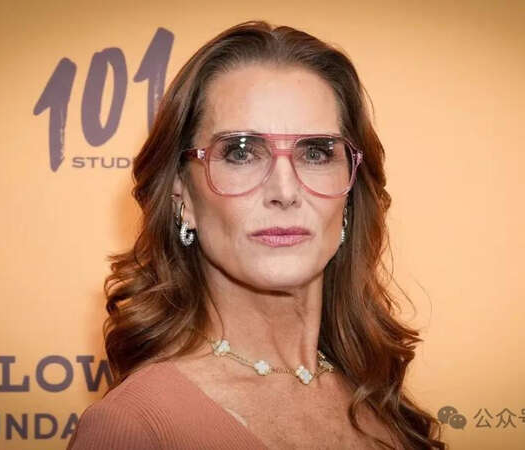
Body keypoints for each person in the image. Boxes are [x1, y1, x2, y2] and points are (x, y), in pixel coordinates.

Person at [67, 20, 446, 450]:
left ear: (350, 189)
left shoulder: (378, 398)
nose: (285, 191)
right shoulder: (135, 427)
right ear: (181, 194)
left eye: (316, 152)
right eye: (242, 152)